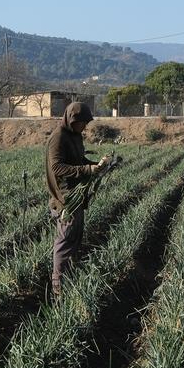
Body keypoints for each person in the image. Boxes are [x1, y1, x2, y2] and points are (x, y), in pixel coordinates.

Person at [46, 101, 112, 297]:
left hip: (77, 197)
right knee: (64, 243)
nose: (85, 127)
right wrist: (86, 169)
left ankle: (70, 281)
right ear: (72, 120)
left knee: (74, 241)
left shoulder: (74, 136)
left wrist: (96, 166)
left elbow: (79, 161)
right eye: (83, 123)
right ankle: (59, 289)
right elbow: (57, 167)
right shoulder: (58, 138)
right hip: (65, 198)